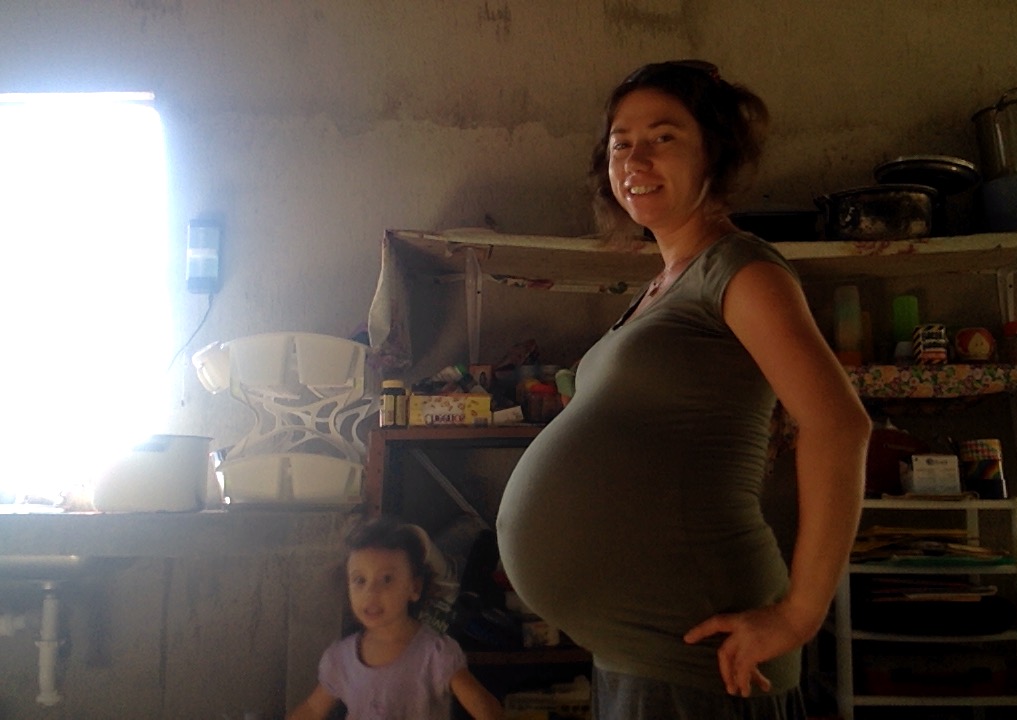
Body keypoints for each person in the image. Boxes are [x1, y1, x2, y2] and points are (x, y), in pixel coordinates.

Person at [496, 59, 870, 719]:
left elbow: (839, 425)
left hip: (700, 649)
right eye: (621, 143)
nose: (636, 158)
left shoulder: (741, 270)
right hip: (638, 650)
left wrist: (800, 614)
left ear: (713, 156)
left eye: (663, 137)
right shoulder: (663, 286)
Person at [287, 517, 503, 720]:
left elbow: (487, 710)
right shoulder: (341, 659)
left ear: (414, 588)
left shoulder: (436, 655)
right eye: (360, 580)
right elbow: (312, 710)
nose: (371, 592)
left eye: (387, 579)